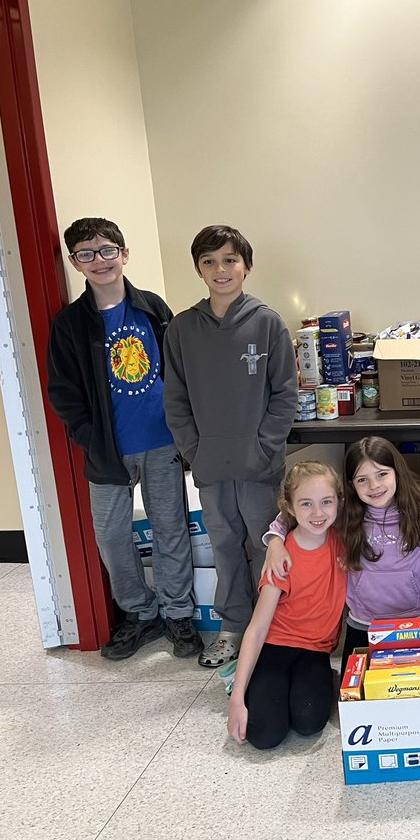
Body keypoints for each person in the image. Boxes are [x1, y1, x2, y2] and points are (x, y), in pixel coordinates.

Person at [45, 217, 202, 660]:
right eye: (87, 253)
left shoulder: (153, 308)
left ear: (124, 254)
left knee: (170, 528)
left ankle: (177, 613)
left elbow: (180, 370)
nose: (100, 260)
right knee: (112, 536)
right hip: (109, 451)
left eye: (107, 250)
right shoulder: (71, 325)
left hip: (162, 442)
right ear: (76, 263)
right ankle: (140, 613)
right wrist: (90, 437)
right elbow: (64, 392)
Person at [262, 438, 420, 674]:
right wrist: (274, 538)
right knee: (356, 696)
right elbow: (295, 513)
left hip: (413, 622)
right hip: (363, 624)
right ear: (351, 484)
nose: (374, 486)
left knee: (411, 694)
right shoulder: (344, 515)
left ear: (397, 473)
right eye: (362, 479)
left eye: (382, 474)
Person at [163, 225, 297, 668]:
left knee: (267, 545)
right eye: (210, 261)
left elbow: (285, 395)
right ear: (199, 269)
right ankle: (233, 628)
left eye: (230, 260)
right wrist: (193, 451)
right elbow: (176, 399)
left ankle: (273, 627)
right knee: (224, 545)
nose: (221, 269)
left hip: (259, 464)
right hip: (210, 463)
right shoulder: (182, 329)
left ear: (247, 266)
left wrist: (265, 447)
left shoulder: (268, 323)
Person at [227, 461, 346, 749]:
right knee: (263, 736)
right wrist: (237, 700)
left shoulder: (345, 543)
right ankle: (241, 677)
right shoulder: (281, 556)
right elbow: (256, 629)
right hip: (274, 645)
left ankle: (310, 681)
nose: (318, 513)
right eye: (306, 504)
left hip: (315, 650)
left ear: (338, 503)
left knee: (308, 723)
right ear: (290, 508)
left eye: (326, 502)